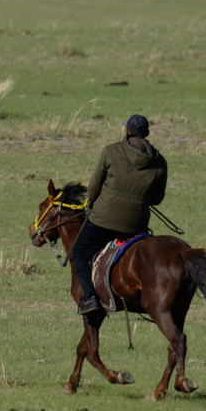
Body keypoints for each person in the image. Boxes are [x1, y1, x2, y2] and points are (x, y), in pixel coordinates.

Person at [71, 114, 168, 315]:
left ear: (127, 131)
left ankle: (90, 297)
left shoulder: (111, 151)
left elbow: (95, 185)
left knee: (78, 253)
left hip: (104, 219)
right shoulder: (160, 162)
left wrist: (90, 206)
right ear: (147, 134)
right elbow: (157, 198)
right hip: (136, 224)